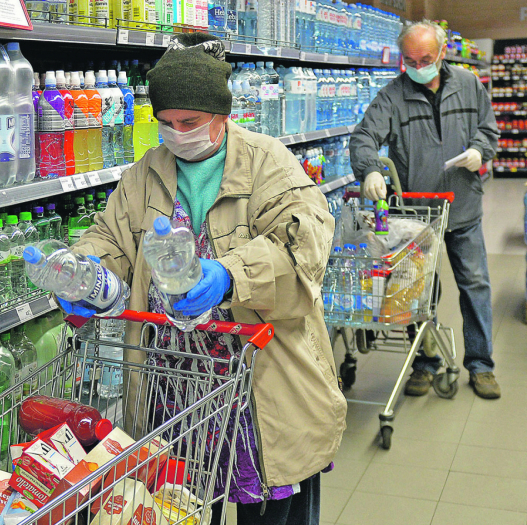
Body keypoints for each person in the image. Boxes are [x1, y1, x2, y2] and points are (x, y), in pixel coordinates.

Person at [58, 34, 346, 525]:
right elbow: (110, 235)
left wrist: (230, 275)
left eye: (190, 122)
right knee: (183, 507)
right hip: (176, 385)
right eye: (166, 124)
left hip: (260, 377)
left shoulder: (267, 160)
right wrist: (87, 271)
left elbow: (305, 243)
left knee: (272, 508)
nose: (177, 134)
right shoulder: (145, 172)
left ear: (221, 114)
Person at [349, 20, 501, 399]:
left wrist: (480, 150)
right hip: (417, 217)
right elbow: (364, 137)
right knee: (418, 291)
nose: (418, 66)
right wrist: (369, 169)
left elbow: (490, 129)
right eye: (410, 60)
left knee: (476, 285)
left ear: (442, 53)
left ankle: (481, 365)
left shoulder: (468, 85)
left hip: (463, 206)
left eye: (426, 58)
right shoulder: (393, 96)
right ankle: (424, 363)